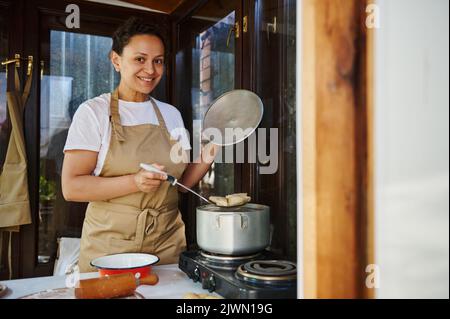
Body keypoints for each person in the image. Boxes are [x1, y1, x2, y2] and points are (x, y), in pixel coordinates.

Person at [61, 17, 218, 272]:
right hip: (111, 245)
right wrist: (134, 182)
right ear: (116, 60)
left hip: (167, 241)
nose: (150, 70)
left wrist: (212, 150)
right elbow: (72, 187)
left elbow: (180, 186)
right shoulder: (93, 112)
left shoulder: (171, 115)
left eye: (158, 61)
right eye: (140, 59)